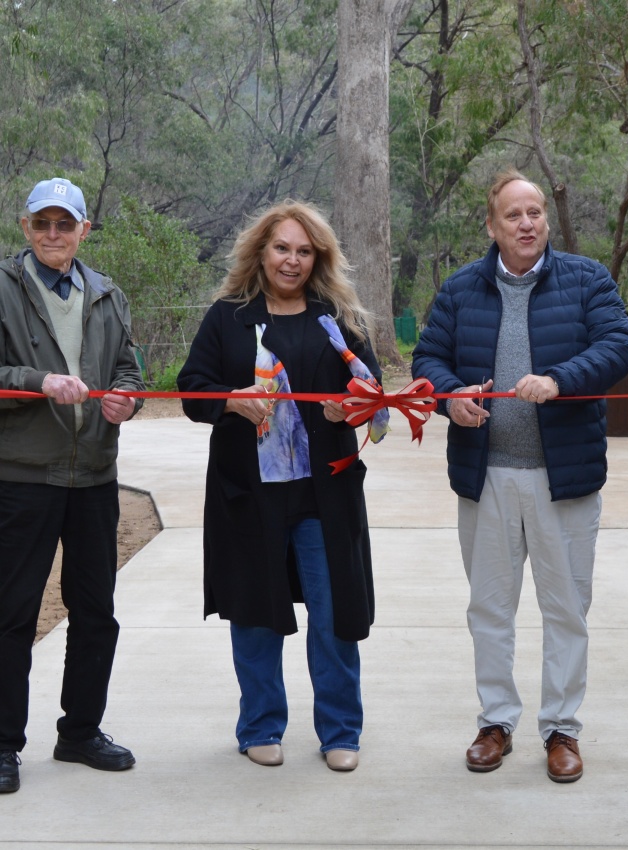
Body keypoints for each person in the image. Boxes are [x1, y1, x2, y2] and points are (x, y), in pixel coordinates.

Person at [412, 169, 628, 782]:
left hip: (564, 480)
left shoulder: (588, 280)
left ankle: (562, 729)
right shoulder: (459, 290)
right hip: (486, 479)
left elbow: (616, 346)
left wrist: (561, 379)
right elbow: (427, 358)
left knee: (567, 609)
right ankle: (495, 721)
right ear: (492, 226)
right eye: (514, 214)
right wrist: (450, 396)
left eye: (535, 212)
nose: (528, 223)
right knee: (489, 608)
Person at [177, 200, 384, 772]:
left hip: (326, 495)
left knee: (334, 611)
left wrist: (355, 410)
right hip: (249, 496)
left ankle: (341, 731)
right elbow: (192, 389)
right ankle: (260, 726)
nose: (291, 261)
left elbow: (374, 389)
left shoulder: (338, 317)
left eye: (304, 250)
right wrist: (229, 401)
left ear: (318, 258)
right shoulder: (227, 317)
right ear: (261, 252)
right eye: (281, 248)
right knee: (254, 612)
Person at [0, 177, 145, 794]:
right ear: (26, 229)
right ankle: (4, 746)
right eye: (42, 224)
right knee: (12, 614)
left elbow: (130, 369)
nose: (53, 235)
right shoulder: (3, 288)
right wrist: (38, 381)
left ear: (85, 230)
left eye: (66, 224)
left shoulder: (107, 294)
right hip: (21, 478)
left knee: (96, 613)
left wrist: (127, 402)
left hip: (94, 478)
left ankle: (80, 732)